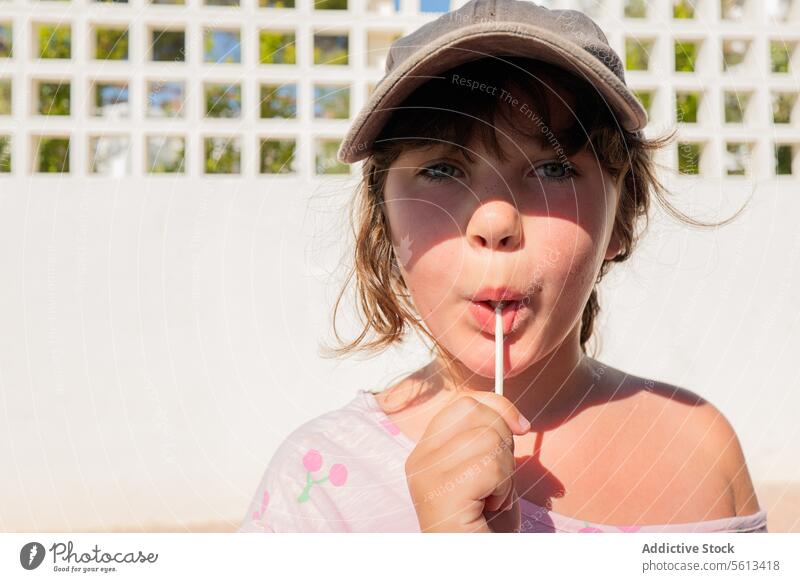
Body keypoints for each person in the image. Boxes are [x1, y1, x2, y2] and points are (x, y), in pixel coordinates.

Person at [237, 0, 767, 533]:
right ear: (386, 224)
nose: (495, 219)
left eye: (553, 168)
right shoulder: (316, 489)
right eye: (443, 168)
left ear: (622, 216)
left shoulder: (699, 448)